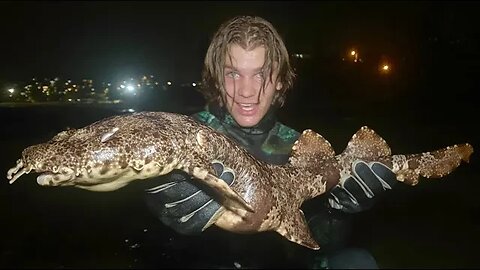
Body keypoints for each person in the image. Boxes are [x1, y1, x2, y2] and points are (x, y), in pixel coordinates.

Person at [143, 15, 397, 269]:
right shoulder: (185, 138)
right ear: (216, 78)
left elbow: (318, 242)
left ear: (280, 81)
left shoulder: (299, 148)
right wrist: (163, 214)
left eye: (261, 75)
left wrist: (338, 208)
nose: (246, 91)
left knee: (358, 262)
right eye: (233, 74)